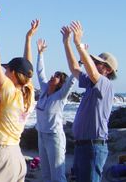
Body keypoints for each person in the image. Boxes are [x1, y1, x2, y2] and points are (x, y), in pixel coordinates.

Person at [0, 0, 36, 182]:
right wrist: (28, 39)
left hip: (1, 155)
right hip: (16, 156)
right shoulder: (28, 92)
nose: (3, 72)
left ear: (12, 73)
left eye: (7, 70)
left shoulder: (10, 93)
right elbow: (28, 68)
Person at [63, 21, 118, 182]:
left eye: (97, 63)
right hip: (82, 146)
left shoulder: (105, 84)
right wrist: (67, 43)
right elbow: (74, 69)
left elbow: (93, 73)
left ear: (107, 70)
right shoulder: (91, 84)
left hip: (93, 147)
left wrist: (78, 44)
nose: (93, 64)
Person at [35, 37, 76, 182]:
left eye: (57, 77)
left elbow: (72, 81)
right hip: (41, 135)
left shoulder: (61, 95)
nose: (53, 77)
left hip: (54, 138)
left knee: (57, 175)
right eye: (54, 75)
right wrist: (40, 53)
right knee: (45, 174)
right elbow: (40, 72)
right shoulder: (45, 89)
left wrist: (80, 64)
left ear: (61, 83)